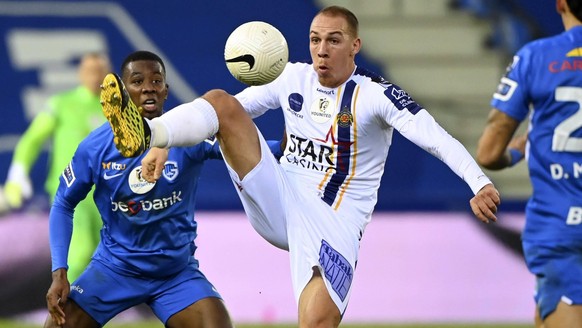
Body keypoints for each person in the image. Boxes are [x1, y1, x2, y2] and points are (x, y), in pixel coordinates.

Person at [102, 6, 501, 327]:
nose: (321, 49)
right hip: (280, 195)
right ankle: (146, 131)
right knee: (223, 102)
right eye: (315, 40)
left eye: (333, 40)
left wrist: (478, 181)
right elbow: (223, 116)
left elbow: (434, 136)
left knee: (316, 324)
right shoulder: (291, 77)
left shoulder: (377, 95)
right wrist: (162, 142)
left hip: (335, 221)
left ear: (355, 45)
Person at [44, 50, 236, 328]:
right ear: (122, 91)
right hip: (114, 270)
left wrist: (287, 147)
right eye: (137, 81)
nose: (148, 87)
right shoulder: (96, 146)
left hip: (175, 274)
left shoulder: (188, 137)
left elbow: (241, 149)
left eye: (156, 81)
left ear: (166, 92)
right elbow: (63, 203)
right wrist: (58, 273)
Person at [476, 0, 582, 327]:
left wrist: (519, 151)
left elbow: (489, 153)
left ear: (561, 4)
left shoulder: (536, 56)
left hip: (562, 230)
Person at [4, 52, 110, 281]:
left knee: (103, 257)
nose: (95, 76)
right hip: (71, 191)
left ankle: (86, 312)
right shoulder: (62, 104)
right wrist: (18, 172)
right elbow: (32, 139)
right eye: (90, 71)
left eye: (99, 71)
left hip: (106, 193)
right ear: (81, 74)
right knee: (79, 253)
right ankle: (67, 310)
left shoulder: (116, 109)